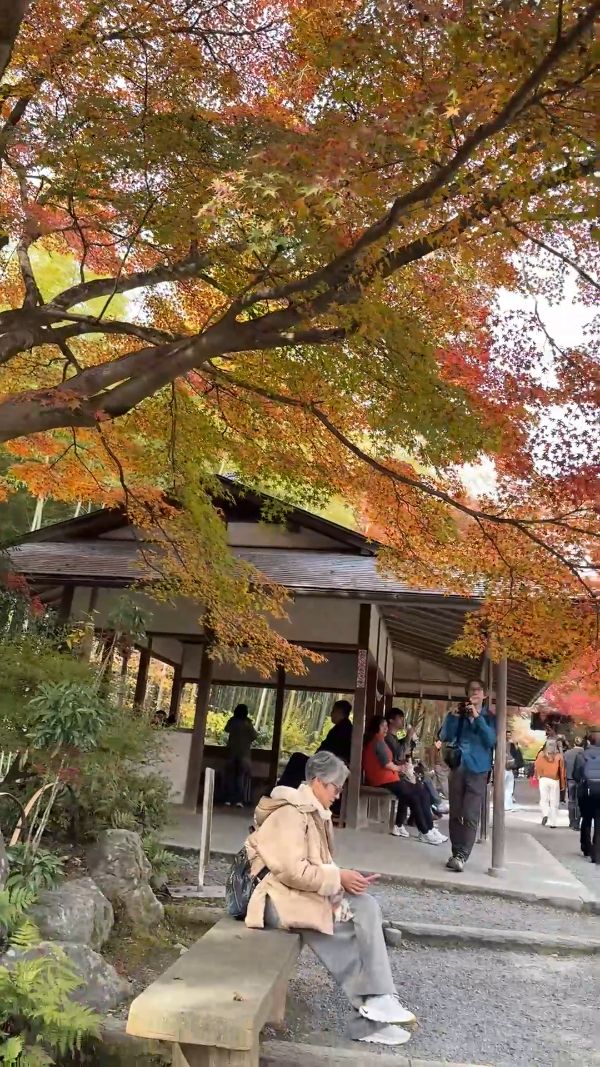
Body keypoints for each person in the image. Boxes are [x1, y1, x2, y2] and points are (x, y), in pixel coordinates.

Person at [244, 751, 418, 1046]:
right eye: (334, 787)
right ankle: (369, 1014)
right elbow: (291, 871)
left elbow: (318, 866)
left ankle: (379, 998)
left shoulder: (314, 812)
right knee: (339, 929)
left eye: (339, 788)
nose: (337, 794)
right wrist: (338, 879)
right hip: (276, 901)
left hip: (297, 894)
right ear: (315, 782)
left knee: (366, 907)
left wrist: (346, 877)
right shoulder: (290, 812)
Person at [439, 678, 496, 873]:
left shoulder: (489, 717)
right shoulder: (459, 715)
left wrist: (477, 717)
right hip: (458, 766)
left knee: (470, 813)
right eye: (471, 690)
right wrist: (452, 717)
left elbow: (490, 740)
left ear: (485, 694)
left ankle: (462, 855)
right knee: (455, 812)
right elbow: (445, 736)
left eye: (479, 690)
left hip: (479, 769)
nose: (475, 693)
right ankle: (456, 853)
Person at [362, 716, 445, 845]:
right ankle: (424, 831)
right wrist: (401, 767)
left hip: (389, 778)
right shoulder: (377, 741)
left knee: (421, 791)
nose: (385, 729)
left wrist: (401, 768)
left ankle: (429, 828)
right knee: (414, 796)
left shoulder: (381, 740)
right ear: (376, 727)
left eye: (386, 726)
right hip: (381, 779)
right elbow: (386, 764)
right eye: (383, 726)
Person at [223, 703, 257, 807]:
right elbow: (254, 736)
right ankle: (239, 801)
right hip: (244, 754)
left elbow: (226, 729)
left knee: (230, 777)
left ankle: (228, 799)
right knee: (240, 778)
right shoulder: (248, 723)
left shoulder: (232, 721)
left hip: (232, 752)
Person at [573, 731, 600, 863]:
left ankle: (586, 846)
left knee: (586, 819)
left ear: (589, 741)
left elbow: (576, 775)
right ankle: (597, 853)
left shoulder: (581, 755)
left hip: (586, 792)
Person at [534, 737, 566, 828]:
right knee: (554, 801)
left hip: (543, 779)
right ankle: (553, 822)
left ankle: (545, 814)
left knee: (544, 799)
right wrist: (562, 784)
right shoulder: (559, 756)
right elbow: (562, 770)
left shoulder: (541, 754)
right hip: (554, 780)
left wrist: (538, 776)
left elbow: (537, 766)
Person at [318, 699, 353, 764]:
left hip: (330, 764)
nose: (331, 713)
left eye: (333, 710)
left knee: (297, 758)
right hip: (330, 761)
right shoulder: (344, 726)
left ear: (339, 712)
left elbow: (328, 748)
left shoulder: (341, 729)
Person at [564, 737, 584, 831]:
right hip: (582, 780)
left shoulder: (567, 753)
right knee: (580, 802)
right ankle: (577, 822)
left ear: (574, 744)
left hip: (570, 779)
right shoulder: (586, 754)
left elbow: (563, 766)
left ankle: (571, 821)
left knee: (571, 800)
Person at [505, 730, 524, 811]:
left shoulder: (512, 745)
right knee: (505, 787)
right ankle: (505, 805)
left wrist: (516, 746)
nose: (508, 737)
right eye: (507, 735)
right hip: (504, 768)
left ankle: (508, 805)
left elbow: (517, 755)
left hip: (510, 768)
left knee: (509, 788)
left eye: (509, 735)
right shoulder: (502, 744)